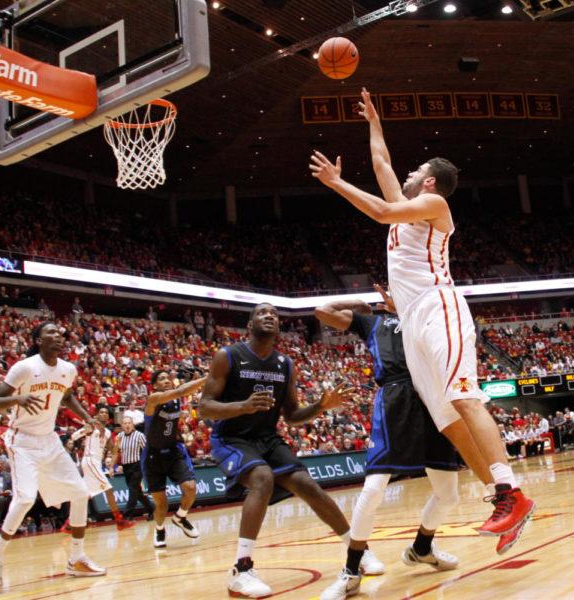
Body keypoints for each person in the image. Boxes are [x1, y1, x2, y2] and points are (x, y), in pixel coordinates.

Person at [309, 89, 535, 541]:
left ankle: (514, 492)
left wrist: (335, 182)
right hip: (412, 322)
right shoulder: (406, 215)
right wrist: (374, 122)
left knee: (465, 398)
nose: (409, 173)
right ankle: (499, 497)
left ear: (430, 183)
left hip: (439, 307)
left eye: (419, 171)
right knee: (449, 421)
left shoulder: (435, 206)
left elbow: (380, 209)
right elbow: (382, 166)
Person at [199, 303, 356, 598]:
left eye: (274, 314)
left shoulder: (284, 364)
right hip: (231, 438)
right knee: (262, 477)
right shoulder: (228, 356)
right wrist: (242, 407)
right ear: (250, 324)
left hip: (267, 438)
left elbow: (293, 415)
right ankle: (241, 570)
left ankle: (357, 550)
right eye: (262, 312)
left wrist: (320, 407)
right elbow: (204, 408)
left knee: (306, 484)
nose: (270, 316)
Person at [315, 296, 463, 600]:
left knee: (449, 493)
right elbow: (322, 312)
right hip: (396, 397)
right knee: (373, 489)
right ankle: (351, 571)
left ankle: (422, 547)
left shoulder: (427, 314)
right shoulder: (372, 322)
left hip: (432, 396)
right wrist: (360, 303)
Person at [0, 322, 106, 588]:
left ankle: (76, 558)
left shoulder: (67, 369)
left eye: (61, 333)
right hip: (22, 441)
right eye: (51, 333)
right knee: (25, 497)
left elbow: (67, 396)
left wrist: (87, 418)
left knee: (80, 493)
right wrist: (18, 399)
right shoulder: (25, 367)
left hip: (49, 440)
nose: (58, 336)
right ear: (38, 340)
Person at [143, 370, 207, 548]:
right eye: (161, 379)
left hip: (172, 451)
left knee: (191, 487)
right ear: (155, 385)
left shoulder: (176, 400)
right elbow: (181, 391)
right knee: (161, 505)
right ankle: (160, 528)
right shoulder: (153, 399)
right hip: (153, 455)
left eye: (168, 378)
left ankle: (180, 516)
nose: (166, 381)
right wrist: (207, 378)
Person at [69, 405, 134, 530]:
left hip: (96, 462)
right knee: (109, 490)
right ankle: (119, 521)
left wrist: (119, 445)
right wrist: (84, 430)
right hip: (90, 461)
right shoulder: (93, 426)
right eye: (101, 412)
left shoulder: (108, 432)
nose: (103, 414)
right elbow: (74, 436)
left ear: (108, 417)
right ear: (97, 415)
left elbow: (113, 449)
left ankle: (69, 523)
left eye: (105, 412)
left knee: (84, 494)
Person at [112, 416, 155, 520]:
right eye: (125, 423)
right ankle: (151, 509)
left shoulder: (139, 435)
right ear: (122, 425)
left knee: (132, 490)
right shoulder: (119, 436)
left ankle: (127, 515)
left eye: (129, 423)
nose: (127, 425)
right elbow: (115, 452)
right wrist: (112, 467)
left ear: (132, 425)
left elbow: (147, 451)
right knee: (138, 493)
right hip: (126, 467)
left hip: (137, 466)